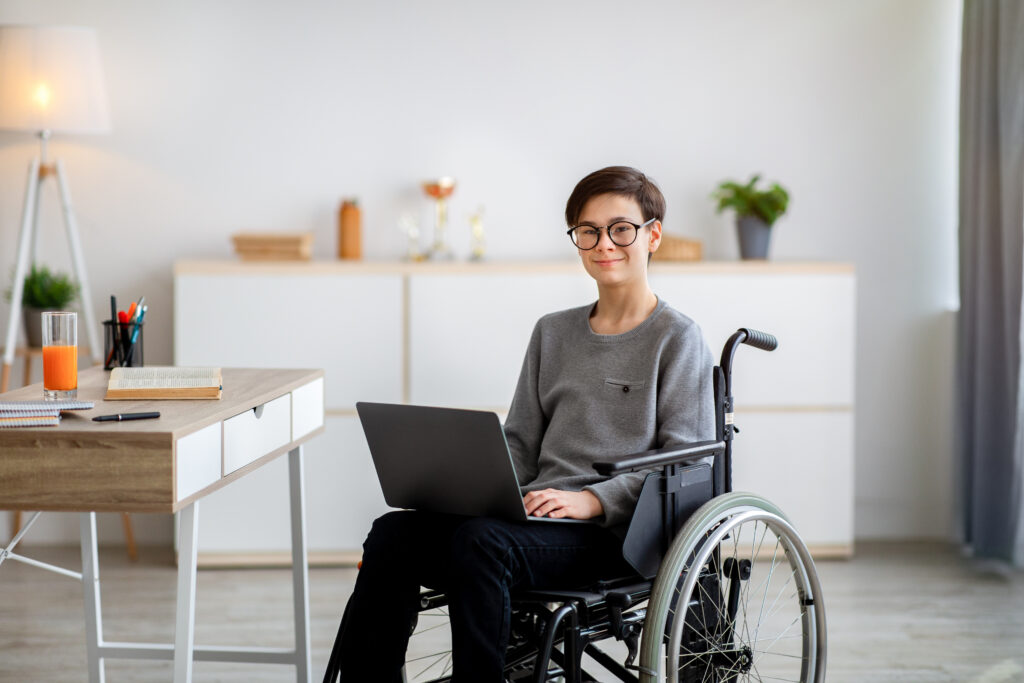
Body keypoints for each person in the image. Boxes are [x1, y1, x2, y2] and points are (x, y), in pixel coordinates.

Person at [328, 166, 714, 682]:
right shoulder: (552, 333)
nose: (605, 244)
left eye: (621, 229)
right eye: (588, 231)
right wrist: (469, 488)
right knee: (393, 532)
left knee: (482, 544)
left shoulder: (678, 338)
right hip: (533, 516)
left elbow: (687, 463)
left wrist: (594, 500)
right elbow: (521, 441)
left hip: (613, 535)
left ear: (653, 235)